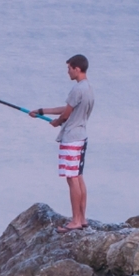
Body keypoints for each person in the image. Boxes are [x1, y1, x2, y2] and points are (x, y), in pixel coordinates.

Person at [30, 54, 94, 233]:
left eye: (69, 68)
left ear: (77, 68)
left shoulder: (77, 89)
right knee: (78, 177)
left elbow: (65, 115)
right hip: (81, 136)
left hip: (71, 138)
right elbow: (67, 109)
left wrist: (57, 122)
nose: (68, 72)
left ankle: (75, 221)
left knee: (72, 179)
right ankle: (81, 218)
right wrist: (42, 111)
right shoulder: (88, 88)